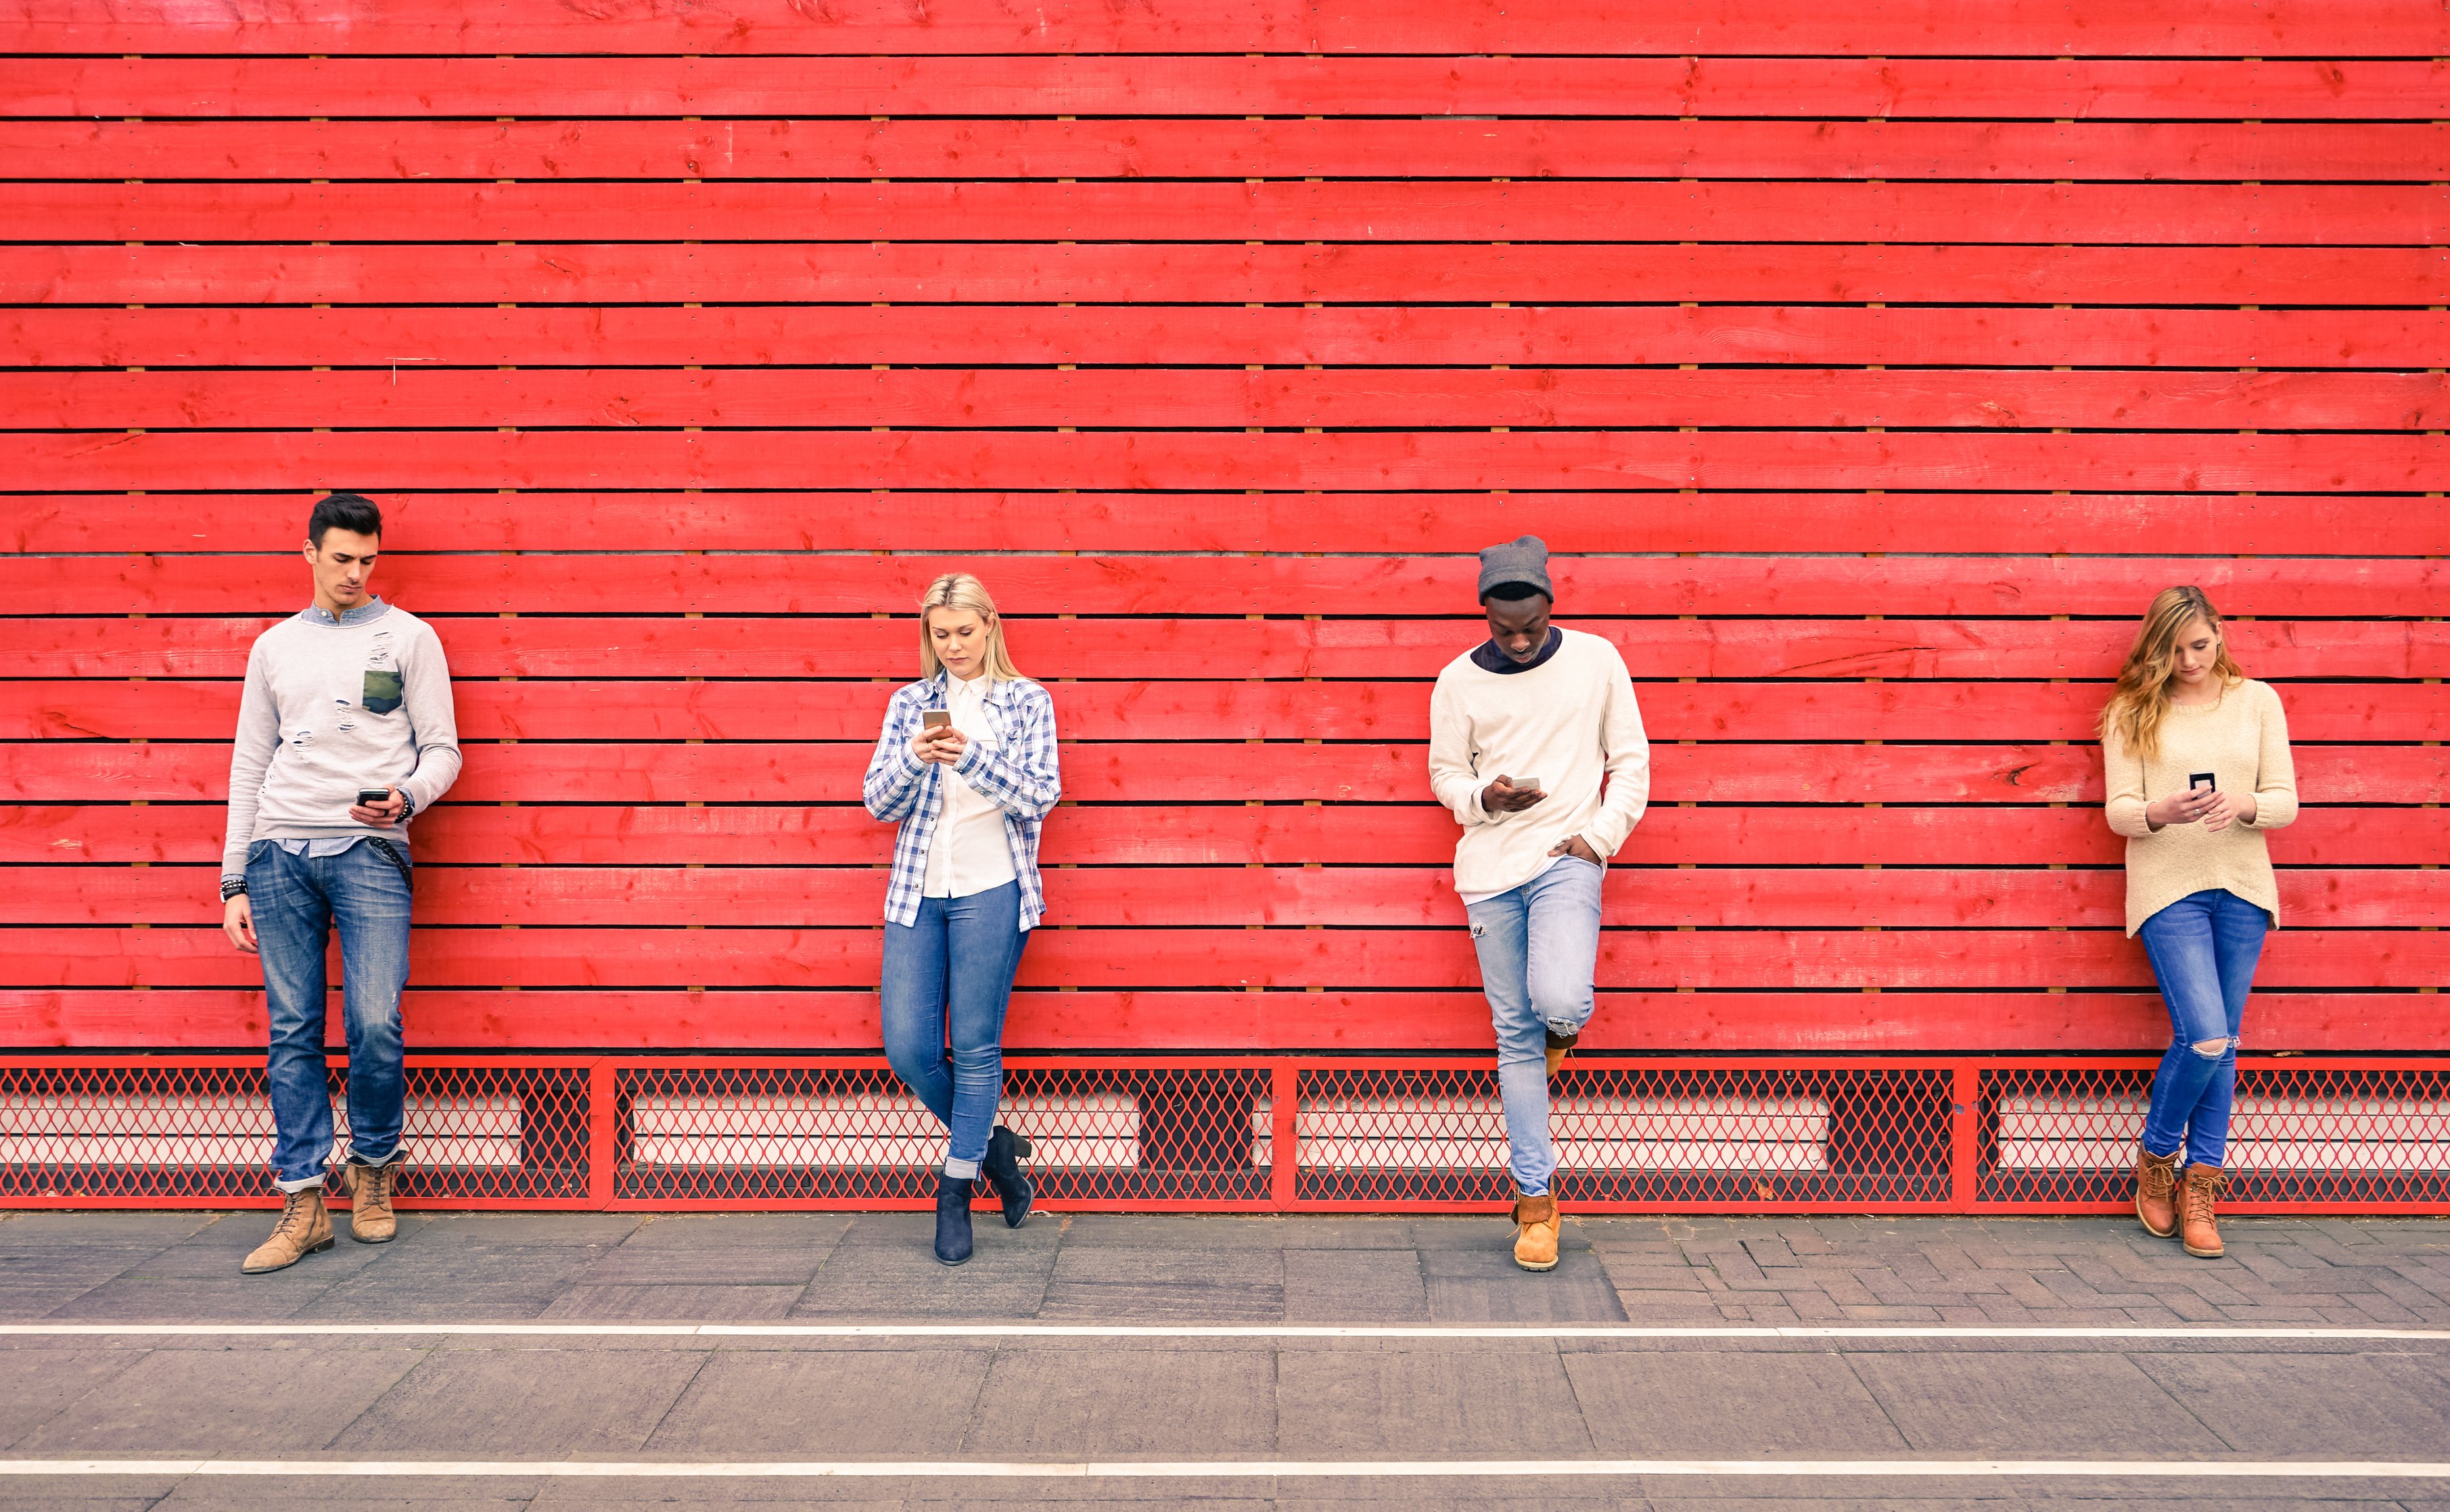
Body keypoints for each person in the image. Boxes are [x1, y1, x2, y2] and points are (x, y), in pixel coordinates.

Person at [220, 492, 461, 1273]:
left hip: (370, 851)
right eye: (341, 558)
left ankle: (375, 1172)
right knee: (292, 1029)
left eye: (367, 559)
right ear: (309, 552)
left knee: (374, 1021)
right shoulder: (274, 648)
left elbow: (444, 752)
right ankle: (303, 1201)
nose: (355, 572)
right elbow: (249, 765)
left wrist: (406, 797)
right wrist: (234, 878)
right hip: (279, 852)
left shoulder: (410, 638)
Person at [1427, 536, 1651, 1271]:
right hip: (1490, 870)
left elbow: (1631, 762)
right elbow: (1443, 774)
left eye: (1530, 625)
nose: (1519, 641)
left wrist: (1597, 839)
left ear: (1550, 606)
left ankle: (1562, 1035)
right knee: (1514, 1039)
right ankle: (1535, 1204)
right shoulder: (1457, 680)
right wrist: (1482, 797)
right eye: (1503, 630)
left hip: (1566, 858)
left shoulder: (1596, 660)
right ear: (1484, 616)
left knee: (1559, 1002)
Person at [863, 573, 1060, 1265]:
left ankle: (955, 1189)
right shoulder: (909, 703)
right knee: (909, 1049)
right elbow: (876, 803)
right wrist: (915, 762)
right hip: (918, 890)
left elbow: (1040, 795)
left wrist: (972, 758)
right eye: (940, 634)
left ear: (990, 625)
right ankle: (997, 1151)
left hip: (993, 888)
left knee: (975, 1048)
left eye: (965, 632)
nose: (953, 646)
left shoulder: (1026, 701)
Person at [2102, 585, 2297, 1260]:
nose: (2188, 659)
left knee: (2227, 1040)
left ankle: (2200, 1187)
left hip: (2242, 886)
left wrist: (2244, 804)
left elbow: (2285, 801)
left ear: (2219, 632)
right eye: (2174, 648)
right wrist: (2161, 812)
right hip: (2168, 888)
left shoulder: (2258, 701)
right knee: (2207, 1035)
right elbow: (2119, 811)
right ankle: (2158, 1155)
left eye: (2199, 644)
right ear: (2156, 647)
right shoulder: (2132, 708)